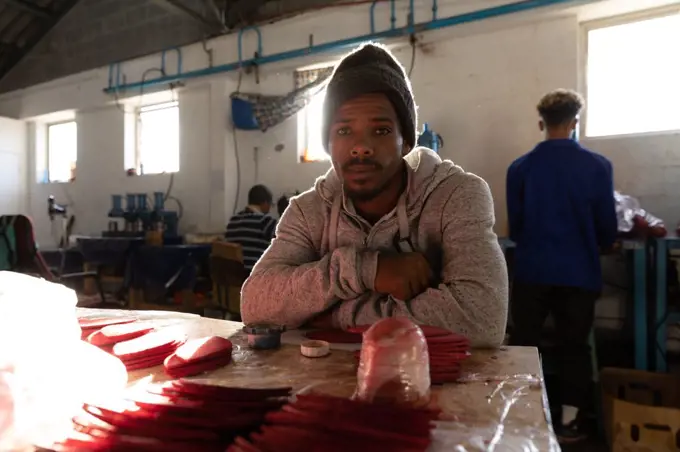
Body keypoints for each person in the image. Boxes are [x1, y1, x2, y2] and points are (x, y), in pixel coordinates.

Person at [240, 43, 508, 347]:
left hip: (430, 387)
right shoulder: (308, 210)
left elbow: (480, 318)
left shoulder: (456, 195)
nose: (361, 147)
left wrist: (336, 317)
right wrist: (365, 269)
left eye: (380, 131)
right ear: (328, 144)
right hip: (330, 384)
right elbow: (255, 304)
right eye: (344, 131)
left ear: (406, 141)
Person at [506, 89, 617, 443]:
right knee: (575, 346)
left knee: (525, 343)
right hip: (578, 271)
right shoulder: (598, 166)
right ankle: (569, 422)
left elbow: (517, 225)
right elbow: (607, 227)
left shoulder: (520, 168)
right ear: (575, 122)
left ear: (541, 123)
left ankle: (521, 416)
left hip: (532, 269)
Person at [225, 184, 277, 273]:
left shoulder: (233, 220)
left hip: (233, 279)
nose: (269, 209)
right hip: (256, 277)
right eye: (270, 205)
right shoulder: (265, 222)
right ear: (264, 203)